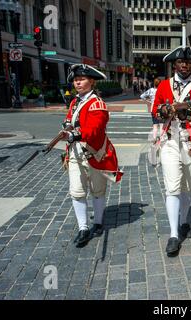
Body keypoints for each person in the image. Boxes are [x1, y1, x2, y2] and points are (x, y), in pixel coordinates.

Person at [152, 46, 191, 257]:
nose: (184, 65)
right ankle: (174, 234)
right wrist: (165, 110)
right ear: (174, 64)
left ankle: (184, 220)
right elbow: (155, 109)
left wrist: (185, 110)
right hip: (169, 140)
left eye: (187, 62)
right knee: (172, 187)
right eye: (180, 62)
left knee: (187, 186)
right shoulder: (164, 85)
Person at [60, 64, 123, 248]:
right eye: (75, 79)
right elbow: (72, 121)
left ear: (92, 81)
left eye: (82, 79)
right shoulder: (74, 102)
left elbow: (94, 131)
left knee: (97, 191)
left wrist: (74, 134)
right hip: (75, 153)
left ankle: (98, 222)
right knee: (77, 192)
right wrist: (67, 127)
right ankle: (83, 228)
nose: (77, 82)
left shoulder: (97, 104)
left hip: (95, 153)